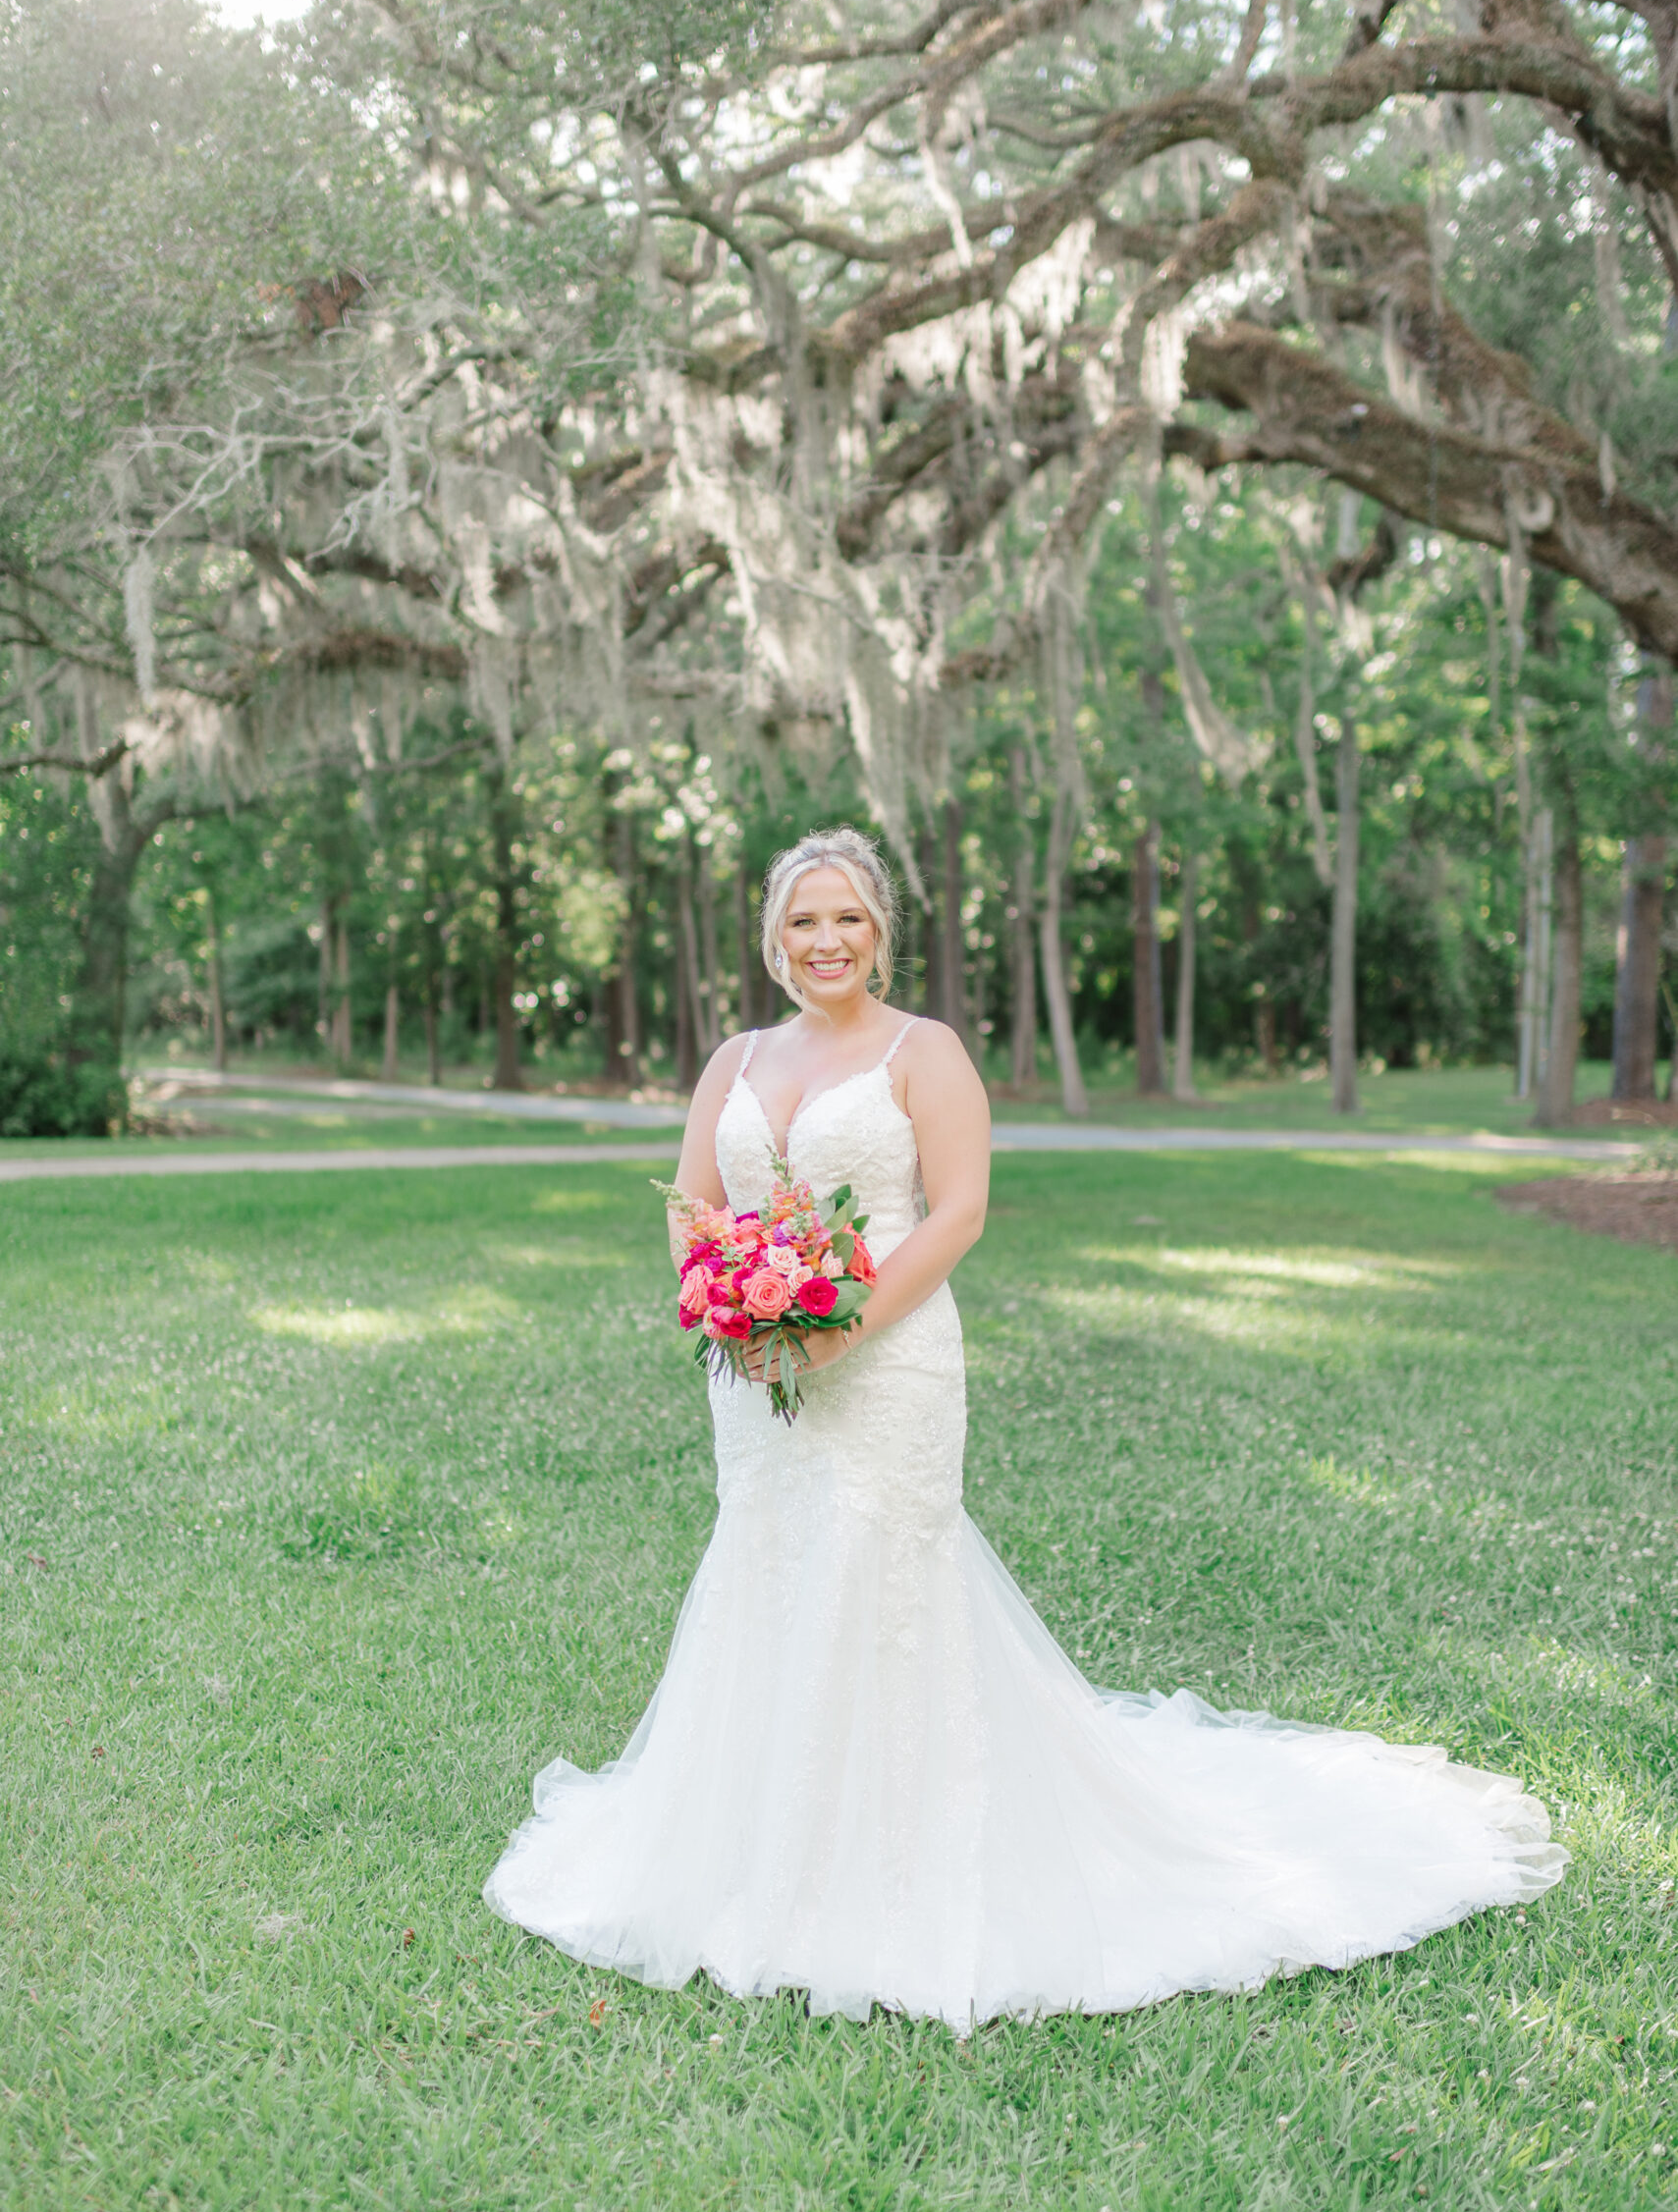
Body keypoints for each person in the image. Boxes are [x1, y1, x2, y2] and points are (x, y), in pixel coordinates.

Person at [484, 825, 1565, 2026]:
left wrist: (841, 1327)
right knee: (771, 1559)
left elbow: (956, 1213)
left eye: (846, 918)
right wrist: (724, 1305)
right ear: (773, 941)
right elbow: (694, 1206)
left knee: (878, 1569)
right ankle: (760, 1839)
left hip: (887, 1362)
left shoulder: (920, 1050)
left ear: (881, 932)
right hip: (752, 1375)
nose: (825, 939)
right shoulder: (732, 1059)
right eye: (802, 921)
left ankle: (894, 1855)